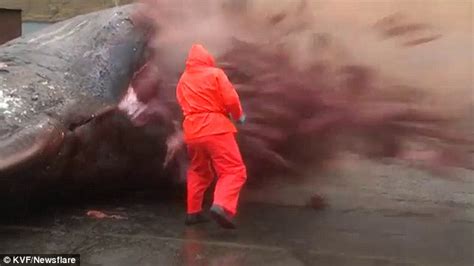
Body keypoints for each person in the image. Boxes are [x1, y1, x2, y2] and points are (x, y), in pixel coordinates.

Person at [176, 44, 247, 229]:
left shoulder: (183, 79)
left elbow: (181, 101)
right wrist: (239, 116)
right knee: (233, 170)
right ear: (207, 58)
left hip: (192, 131)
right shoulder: (215, 73)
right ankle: (221, 206)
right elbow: (231, 99)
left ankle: (193, 212)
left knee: (199, 171)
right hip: (216, 128)